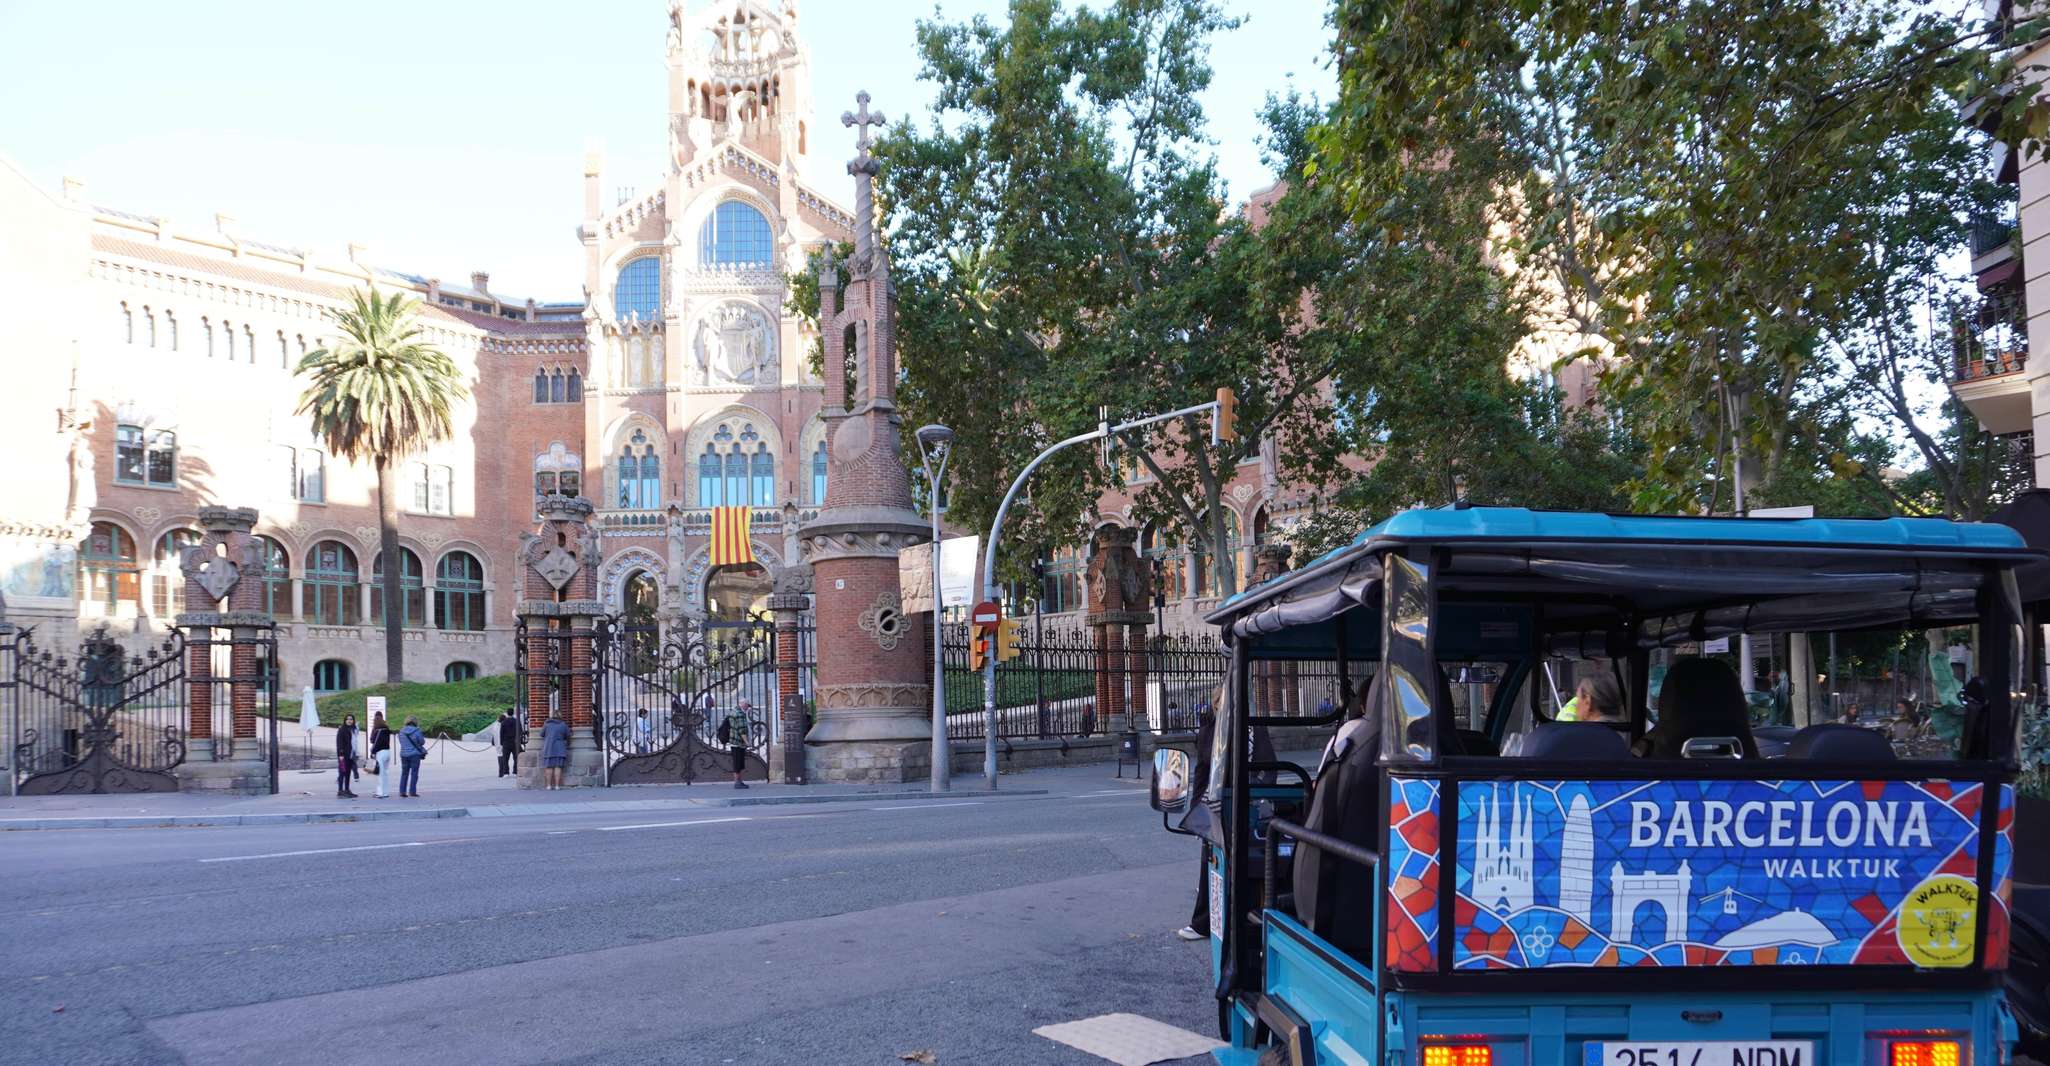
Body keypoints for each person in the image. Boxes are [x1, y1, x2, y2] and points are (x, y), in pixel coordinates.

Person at [720, 700, 753, 789]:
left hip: (734, 741)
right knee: (738, 762)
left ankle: (739, 781)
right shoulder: (739, 714)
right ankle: (737, 782)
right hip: (738, 742)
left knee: (737, 762)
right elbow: (741, 730)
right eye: (747, 706)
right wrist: (747, 742)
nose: (747, 708)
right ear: (743, 705)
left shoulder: (734, 711)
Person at [397, 715, 428, 798]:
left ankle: (402, 791)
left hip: (403, 754)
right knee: (414, 773)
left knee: (404, 773)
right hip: (414, 754)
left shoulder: (401, 731)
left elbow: (401, 741)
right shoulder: (417, 731)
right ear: (415, 722)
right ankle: (412, 791)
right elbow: (422, 742)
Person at [541, 711, 571, 790]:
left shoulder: (546, 724)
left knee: (549, 767)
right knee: (558, 767)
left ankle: (548, 785)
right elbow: (568, 735)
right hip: (560, 748)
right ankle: (557, 785)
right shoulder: (563, 725)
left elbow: (541, 734)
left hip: (549, 748)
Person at [368, 711, 393, 799]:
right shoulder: (386, 729)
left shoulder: (378, 730)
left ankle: (380, 793)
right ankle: (385, 792)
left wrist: (372, 752)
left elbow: (375, 742)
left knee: (380, 774)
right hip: (387, 752)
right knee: (385, 773)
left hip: (380, 753)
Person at [334, 713, 360, 799]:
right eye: (348, 719)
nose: (349, 721)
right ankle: (340, 790)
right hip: (343, 755)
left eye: (351, 719)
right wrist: (341, 754)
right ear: (345, 720)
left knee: (348, 772)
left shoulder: (353, 730)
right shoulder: (342, 729)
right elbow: (339, 743)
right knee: (342, 773)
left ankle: (347, 789)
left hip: (351, 755)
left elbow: (355, 742)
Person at [497, 709, 522, 778]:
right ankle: (515, 771)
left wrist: (502, 743)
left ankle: (506, 773)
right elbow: (520, 731)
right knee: (516, 758)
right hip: (515, 741)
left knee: (505, 758)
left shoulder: (504, 722)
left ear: (507, 714)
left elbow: (501, 733)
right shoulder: (517, 721)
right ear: (513, 713)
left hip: (506, 742)